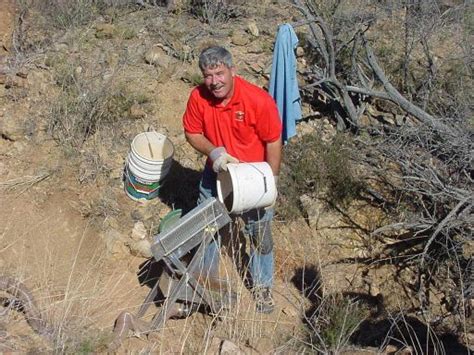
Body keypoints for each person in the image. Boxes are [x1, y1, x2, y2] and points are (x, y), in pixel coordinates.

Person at [182, 46, 282, 314]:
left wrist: (270, 180)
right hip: (216, 174)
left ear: (232, 71)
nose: (214, 81)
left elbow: (273, 140)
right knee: (208, 229)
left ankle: (262, 288)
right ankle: (205, 285)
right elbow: (192, 132)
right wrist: (214, 152)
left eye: (219, 73)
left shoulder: (257, 100)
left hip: (251, 177)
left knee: (260, 234)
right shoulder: (198, 97)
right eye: (207, 75)